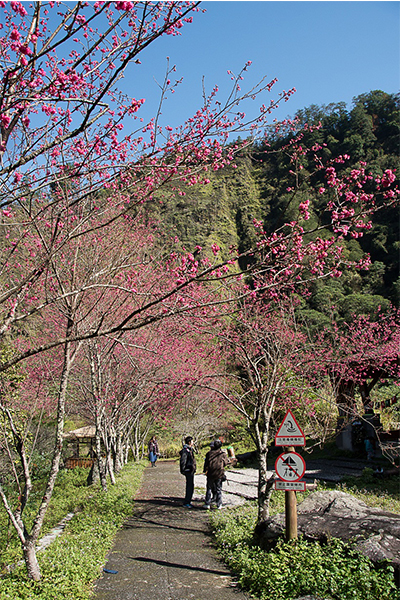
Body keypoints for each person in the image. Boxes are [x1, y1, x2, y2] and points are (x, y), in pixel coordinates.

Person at [203, 439, 236, 510]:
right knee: (219, 489)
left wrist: (204, 470)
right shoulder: (222, 454)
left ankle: (207, 503)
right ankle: (219, 504)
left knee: (209, 488)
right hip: (219, 473)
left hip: (210, 473)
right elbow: (225, 463)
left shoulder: (209, 453)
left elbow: (206, 463)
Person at [179, 436, 196, 508]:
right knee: (189, 486)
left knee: (191, 486)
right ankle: (186, 502)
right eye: (192, 441)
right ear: (189, 442)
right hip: (188, 470)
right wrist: (183, 470)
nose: (193, 442)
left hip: (190, 470)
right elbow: (183, 461)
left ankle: (188, 501)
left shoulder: (190, 449)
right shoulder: (186, 450)